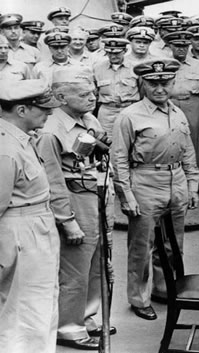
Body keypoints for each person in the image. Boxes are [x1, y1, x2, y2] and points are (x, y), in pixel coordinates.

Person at [111, 58, 199, 320]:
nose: (160, 88)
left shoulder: (178, 112)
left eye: (165, 83)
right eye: (153, 83)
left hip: (176, 181)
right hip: (145, 182)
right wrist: (126, 196)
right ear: (142, 84)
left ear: (173, 83)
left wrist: (193, 185)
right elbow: (119, 160)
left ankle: (165, 288)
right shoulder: (129, 115)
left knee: (174, 243)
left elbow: (188, 151)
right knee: (142, 246)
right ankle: (139, 299)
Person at [36, 65, 115, 350]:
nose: (92, 97)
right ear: (60, 97)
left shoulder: (87, 117)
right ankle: (68, 327)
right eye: (83, 94)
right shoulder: (50, 131)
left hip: (95, 198)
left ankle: (87, 316)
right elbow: (52, 181)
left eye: (92, 91)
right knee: (74, 269)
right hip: (73, 201)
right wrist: (66, 221)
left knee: (96, 262)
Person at [0, 79, 61, 353]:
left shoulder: (20, 139)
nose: (49, 114)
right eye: (42, 109)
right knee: (24, 313)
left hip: (35, 227)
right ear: (21, 110)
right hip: (21, 232)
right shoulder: (6, 149)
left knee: (41, 305)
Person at [165, 30, 199, 168]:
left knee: (192, 140)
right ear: (170, 46)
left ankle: (192, 174)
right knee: (169, 138)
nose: (181, 49)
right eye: (177, 46)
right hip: (169, 103)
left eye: (185, 46)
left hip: (192, 104)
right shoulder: (164, 64)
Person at [93, 38, 139, 139]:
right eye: (109, 53)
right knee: (105, 142)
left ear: (125, 51)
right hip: (107, 112)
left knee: (131, 139)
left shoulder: (135, 68)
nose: (113, 56)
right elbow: (94, 93)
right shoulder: (98, 68)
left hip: (129, 109)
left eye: (117, 53)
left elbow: (143, 91)